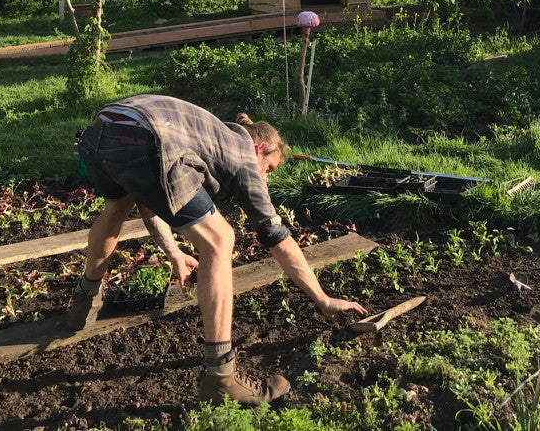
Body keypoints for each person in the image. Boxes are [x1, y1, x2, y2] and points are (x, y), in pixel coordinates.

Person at [69, 95, 367, 406]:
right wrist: (323, 299)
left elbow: (146, 197)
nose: (266, 177)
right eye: (271, 168)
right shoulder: (243, 155)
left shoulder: (206, 136)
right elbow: (276, 235)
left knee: (115, 210)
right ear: (260, 149)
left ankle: (84, 302)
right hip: (145, 135)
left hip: (102, 130)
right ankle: (222, 376)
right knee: (221, 239)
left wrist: (173, 251)